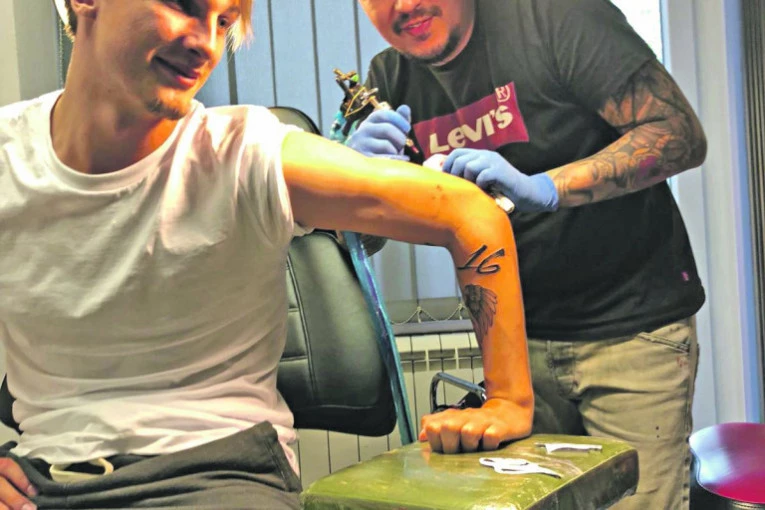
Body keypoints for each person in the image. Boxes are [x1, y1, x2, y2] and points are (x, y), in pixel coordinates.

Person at [0, 0, 535, 508]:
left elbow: (469, 213)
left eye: (224, 21)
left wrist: (508, 400)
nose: (207, 43)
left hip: (212, 477)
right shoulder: (8, 157)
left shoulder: (243, 153)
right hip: (40, 478)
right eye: (184, 6)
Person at [346, 0, 708, 508]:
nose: (404, 5)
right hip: (516, 356)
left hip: (630, 331)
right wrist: (358, 180)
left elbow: (679, 133)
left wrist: (547, 188)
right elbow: (366, 245)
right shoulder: (389, 79)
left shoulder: (555, 17)